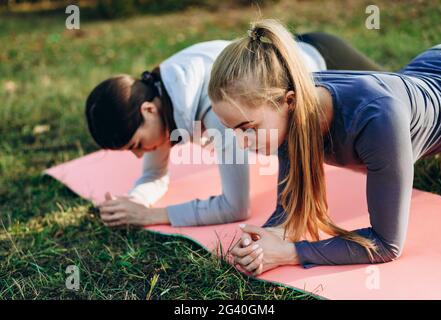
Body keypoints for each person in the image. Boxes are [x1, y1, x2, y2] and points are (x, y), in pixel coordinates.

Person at [207, 19, 441, 275]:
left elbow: (385, 245)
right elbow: (288, 212)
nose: (241, 142)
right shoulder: (289, 110)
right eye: (232, 129)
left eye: (248, 128)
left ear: (288, 102)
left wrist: (289, 253)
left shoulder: (377, 117)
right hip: (428, 67)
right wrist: (262, 243)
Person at [85, 32, 383, 229]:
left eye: (136, 144)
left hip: (326, 61)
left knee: (405, 111)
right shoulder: (158, 94)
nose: (139, 155)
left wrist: (151, 216)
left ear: (148, 110)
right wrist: (134, 202)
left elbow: (235, 206)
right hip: (299, 49)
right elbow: (153, 174)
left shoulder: (219, 113)